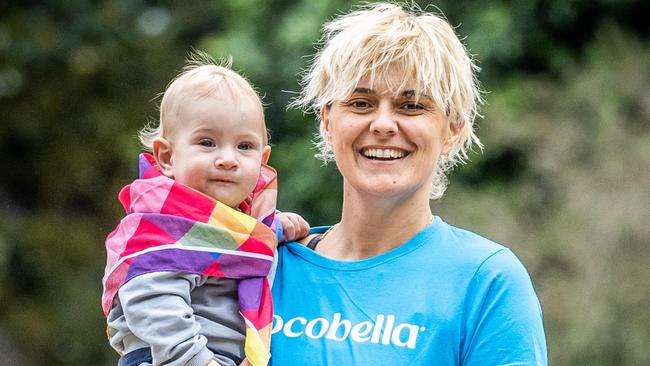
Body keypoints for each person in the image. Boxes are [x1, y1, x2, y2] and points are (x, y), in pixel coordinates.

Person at [270, 3, 547, 365]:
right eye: (360, 102)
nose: (383, 124)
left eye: (412, 106)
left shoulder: (487, 281)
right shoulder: (265, 264)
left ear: (452, 129)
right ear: (327, 121)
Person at [101, 53, 309, 366]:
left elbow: (230, 238)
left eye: (244, 147)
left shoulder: (232, 222)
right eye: (208, 142)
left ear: (263, 159)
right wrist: (197, 361)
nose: (228, 158)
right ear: (167, 157)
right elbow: (152, 301)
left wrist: (273, 228)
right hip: (171, 357)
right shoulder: (163, 226)